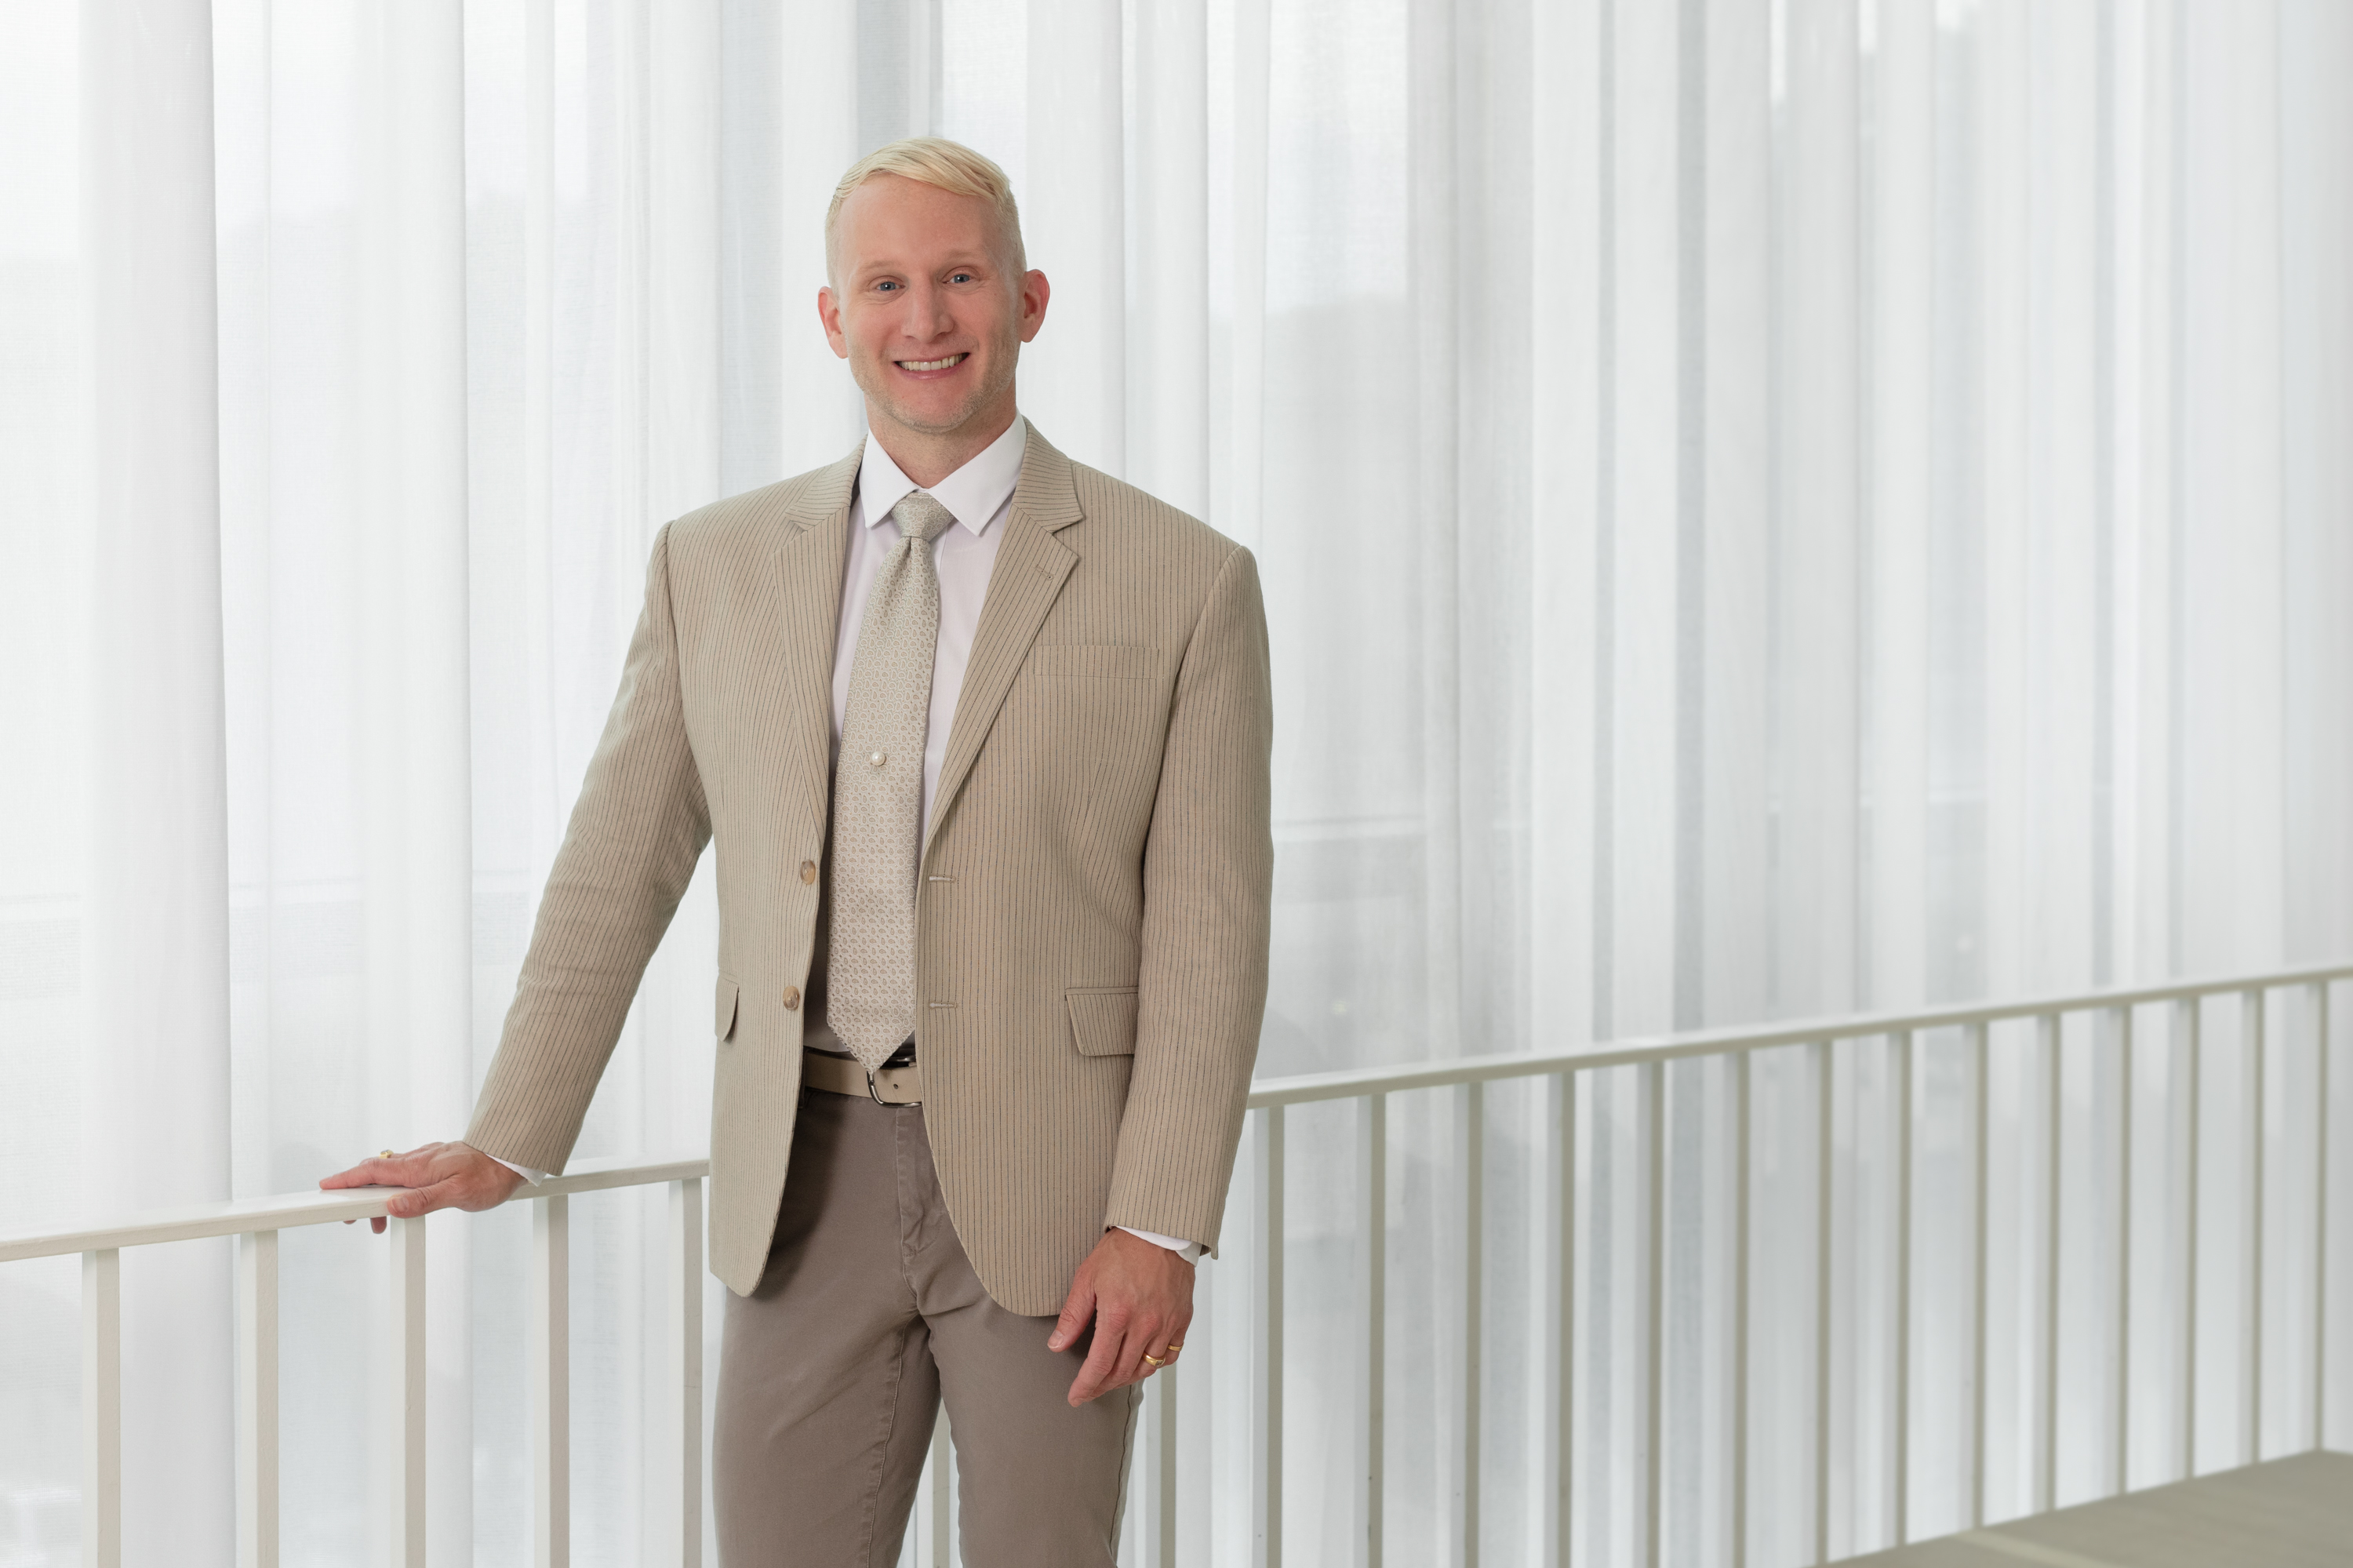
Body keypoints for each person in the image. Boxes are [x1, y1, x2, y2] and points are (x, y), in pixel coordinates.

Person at [320, 136, 1272, 1563]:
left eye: (961, 277)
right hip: (799, 1175)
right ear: (834, 318)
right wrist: (511, 1133)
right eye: (885, 283)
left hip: (1057, 1196)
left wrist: (1164, 1224)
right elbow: (617, 863)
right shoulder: (714, 564)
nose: (927, 318)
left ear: (1030, 299)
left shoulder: (1185, 580)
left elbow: (1210, 932)